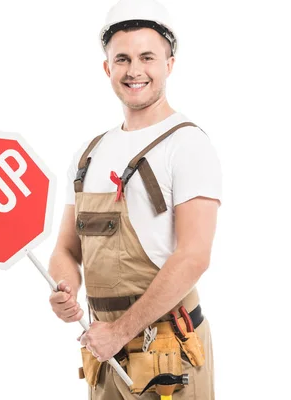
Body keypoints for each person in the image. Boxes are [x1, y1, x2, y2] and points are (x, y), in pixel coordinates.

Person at [47, 0, 221, 399]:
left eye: (147, 57)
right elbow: (66, 247)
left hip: (168, 355)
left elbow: (194, 256)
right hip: (104, 355)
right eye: (122, 59)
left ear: (169, 64)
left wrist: (120, 332)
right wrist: (65, 287)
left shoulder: (187, 145)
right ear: (107, 68)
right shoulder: (89, 152)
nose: (135, 70)